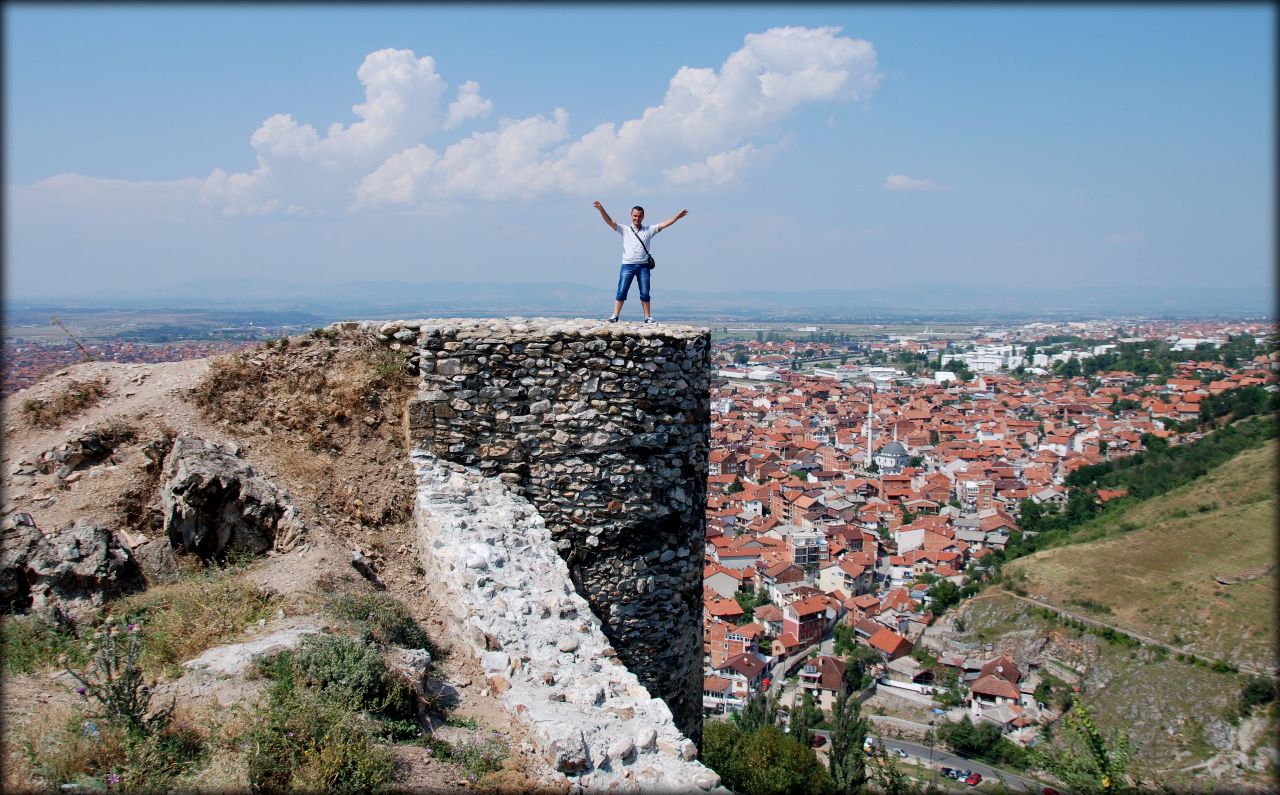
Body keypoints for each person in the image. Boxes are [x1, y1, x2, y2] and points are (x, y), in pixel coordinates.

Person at [592, 201, 688, 323]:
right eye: (635, 216)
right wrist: (601, 210)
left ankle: (647, 317)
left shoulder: (648, 230)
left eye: (639, 216)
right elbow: (610, 222)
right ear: (631, 216)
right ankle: (615, 316)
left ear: (643, 216)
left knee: (645, 292)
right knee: (622, 290)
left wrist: (677, 217)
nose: (637, 218)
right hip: (627, 265)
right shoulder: (625, 229)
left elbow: (664, 224)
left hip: (643, 266)